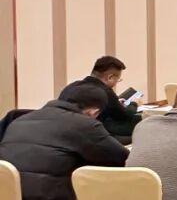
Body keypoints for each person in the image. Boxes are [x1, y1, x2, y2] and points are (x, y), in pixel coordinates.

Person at [0, 84, 129, 200]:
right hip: (51, 195)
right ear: (94, 112)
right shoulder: (84, 124)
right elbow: (123, 159)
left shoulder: (19, 120)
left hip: (10, 194)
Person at [58, 55, 138, 124]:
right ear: (110, 77)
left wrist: (116, 103)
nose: (117, 82)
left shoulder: (72, 86)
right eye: (118, 79)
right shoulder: (104, 92)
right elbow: (124, 116)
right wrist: (134, 104)